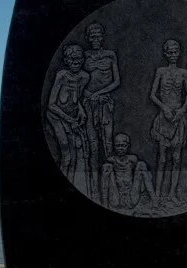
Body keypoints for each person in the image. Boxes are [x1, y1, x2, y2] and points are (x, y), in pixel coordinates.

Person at [150, 39, 187, 201]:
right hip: (164, 116)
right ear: (165, 54)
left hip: (178, 117)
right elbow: (152, 95)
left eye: (175, 52)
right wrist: (164, 108)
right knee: (162, 158)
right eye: (170, 52)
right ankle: (157, 194)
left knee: (176, 158)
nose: (173, 55)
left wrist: (182, 110)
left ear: (179, 53)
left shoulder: (183, 72)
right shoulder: (161, 71)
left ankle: (172, 194)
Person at [47, 44, 91, 195]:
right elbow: (51, 105)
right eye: (72, 59)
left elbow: (76, 99)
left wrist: (81, 111)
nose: (76, 62)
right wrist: (69, 119)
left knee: (75, 154)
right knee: (66, 152)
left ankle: (70, 187)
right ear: (66, 60)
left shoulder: (85, 77)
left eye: (79, 59)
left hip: (71, 117)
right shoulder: (62, 76)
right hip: (56, 116)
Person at [82, 22, 120, 193]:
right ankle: (93, 187)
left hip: (105, 103)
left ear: (102, 37)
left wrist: (99, 93)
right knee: (93, 144)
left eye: (98, 36)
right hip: (89, 104)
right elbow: (79, 80)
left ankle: (112, 187)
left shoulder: (111, 55)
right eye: (92, 36)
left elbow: (116, 81)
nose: (95, 39)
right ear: (88, 38)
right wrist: (90, 95)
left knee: (108, 142)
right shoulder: (84, 56)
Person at [100, 133, 156, 211]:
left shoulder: (132, 159)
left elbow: (143, 172)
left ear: (128, 146)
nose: (120, 148)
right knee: (106, 167)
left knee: (141, 165)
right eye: (118, 146)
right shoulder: (112, 160)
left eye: (123, 145)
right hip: (116, 198)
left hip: (132, 196)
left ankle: (154, 200)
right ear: (114, 146)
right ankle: (104, 203)